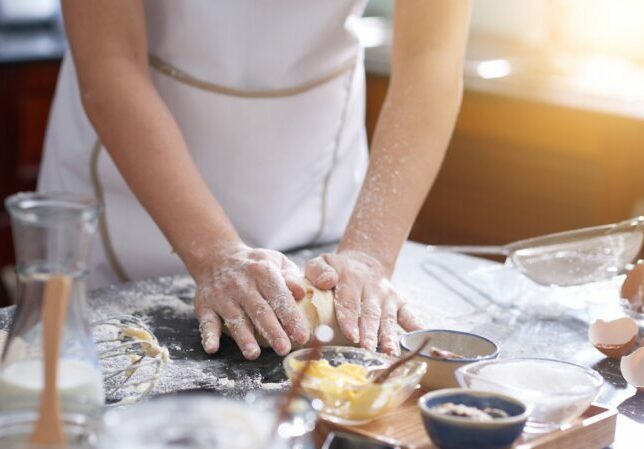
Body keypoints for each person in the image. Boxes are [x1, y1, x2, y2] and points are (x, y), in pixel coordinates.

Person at [39, 1, 470, 359]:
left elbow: (431, 54)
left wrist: (369, 254)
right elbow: (109, 61)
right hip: (133, 169)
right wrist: (214, 253)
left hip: (311, 159)